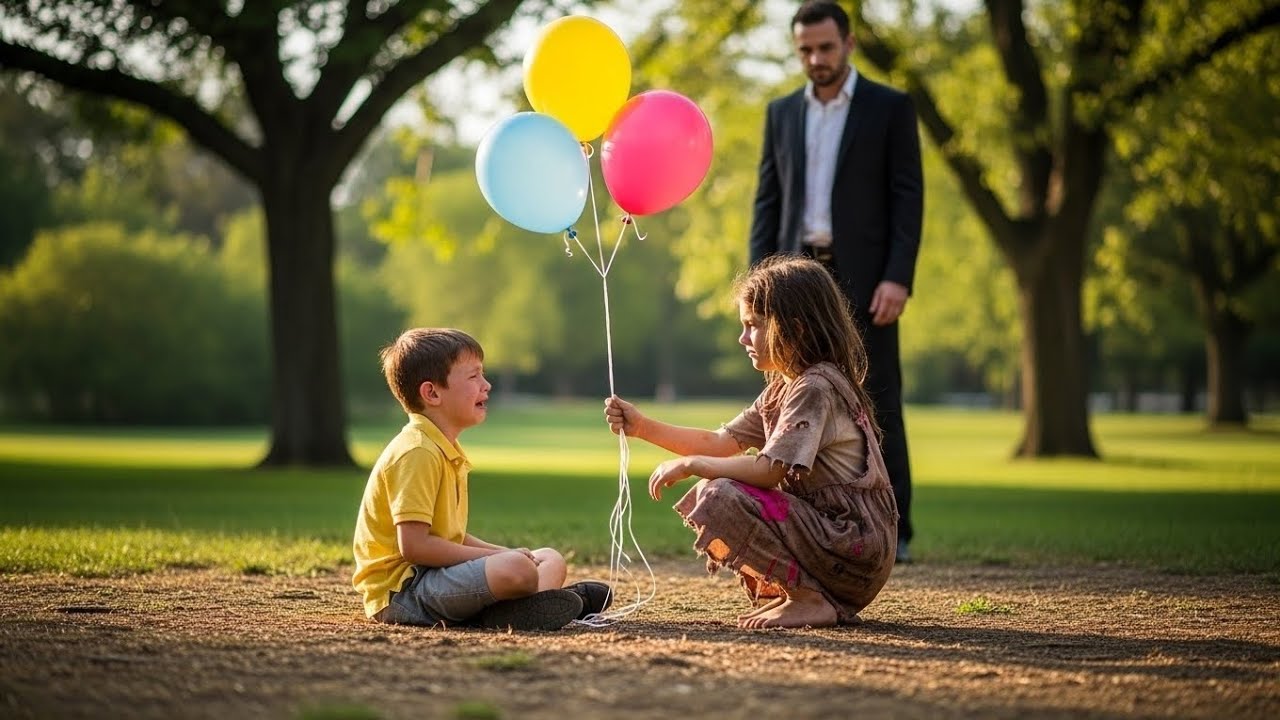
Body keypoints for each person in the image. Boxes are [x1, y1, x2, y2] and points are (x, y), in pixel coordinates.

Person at [604, 256, 899, 629]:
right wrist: (642, 426)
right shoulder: (786, 387)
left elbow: (769, 470)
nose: (743, 338)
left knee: (718, 494)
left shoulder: (814, 388)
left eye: (753, 326)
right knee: (719, 488)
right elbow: (720, 442)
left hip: (852, 544)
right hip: (843, 546)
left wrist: (695, 465)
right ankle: (803, 593)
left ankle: (808, 599)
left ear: (794, 329)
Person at [748, 0, 922, 563]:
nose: (815, 59)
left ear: (848, 43)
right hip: (798, 277)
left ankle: (898, 532)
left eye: (825, 47)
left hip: (868, 279)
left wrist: (898, 275)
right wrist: (760, 289)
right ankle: (807, 519)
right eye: (805, 50)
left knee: (879, 399)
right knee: (786, 396)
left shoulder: (889, 107)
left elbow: (907, 197)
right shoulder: (781, 113)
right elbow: (767, 202)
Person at [352, 327, 612, 630]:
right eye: (474, 376)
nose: (486, 385)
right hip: (404, 592)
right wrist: (504, 559)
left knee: (548, 559)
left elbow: (450, 536)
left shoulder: (445, 450)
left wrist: (505, 553)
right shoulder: (417, 452)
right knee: (518, 568)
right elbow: (415, 547)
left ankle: (516, 610)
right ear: (432, 393)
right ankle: (513, 609)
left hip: (435, 577)